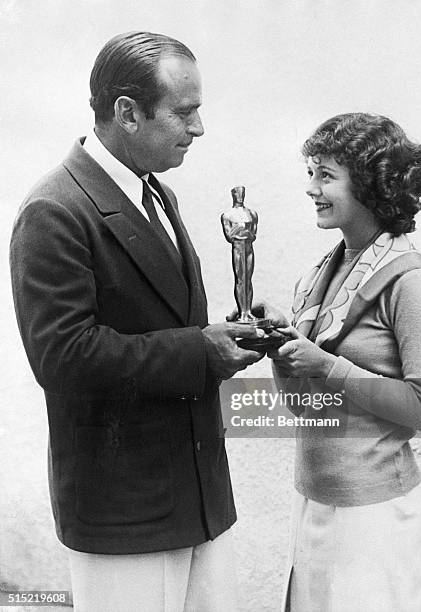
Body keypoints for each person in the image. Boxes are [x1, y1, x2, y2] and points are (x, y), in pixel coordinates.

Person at [9, 31, 279, 612]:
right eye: (185, 112)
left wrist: (235, 334)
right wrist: (201, 352)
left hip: (196, 497)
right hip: (125, 515)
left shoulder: (154, 193)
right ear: (126, 113)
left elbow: (171, 321)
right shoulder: (54, 211)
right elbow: (62, 357)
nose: (199, 128)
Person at [269, 113, 421, 612]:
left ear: (371, 184)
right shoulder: (321, 273)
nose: (311, 188)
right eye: (311, 172)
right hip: (313, 501)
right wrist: (282, 347)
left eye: (325, 175)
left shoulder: (410, 281)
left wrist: (324, 365)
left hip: (374, 517)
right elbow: (304, 409)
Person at [221, 186, 258, 321]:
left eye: (242, 193)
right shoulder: (228, 215)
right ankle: (242, 312)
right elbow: (230, 236)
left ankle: (248, 311)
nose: (240, 196)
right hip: (237, 248)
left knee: (248, 280)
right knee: (241, 280)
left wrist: (240, 231)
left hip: (248, 248)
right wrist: (243, 231)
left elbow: (253, 234)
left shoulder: (251, 213)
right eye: (237, 193)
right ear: (233, 195)